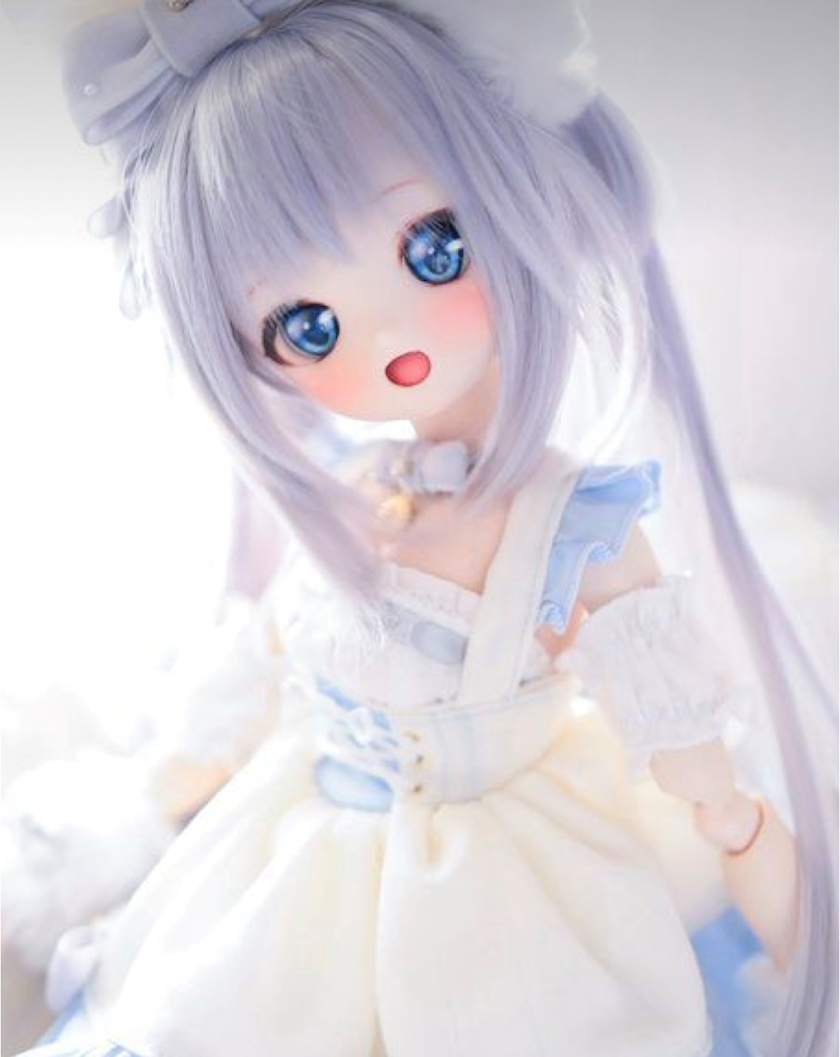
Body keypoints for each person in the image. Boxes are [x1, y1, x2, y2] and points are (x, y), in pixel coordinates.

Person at [3, 1, 836, 1054]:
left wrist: (743, 835)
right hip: (302, 861)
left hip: (500, 890)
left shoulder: (574, 525)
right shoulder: (356, 487)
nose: (389, 343)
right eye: (306, 326)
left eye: (435, 248)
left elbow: (694, 760)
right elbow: (261, 663)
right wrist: (146, 803)